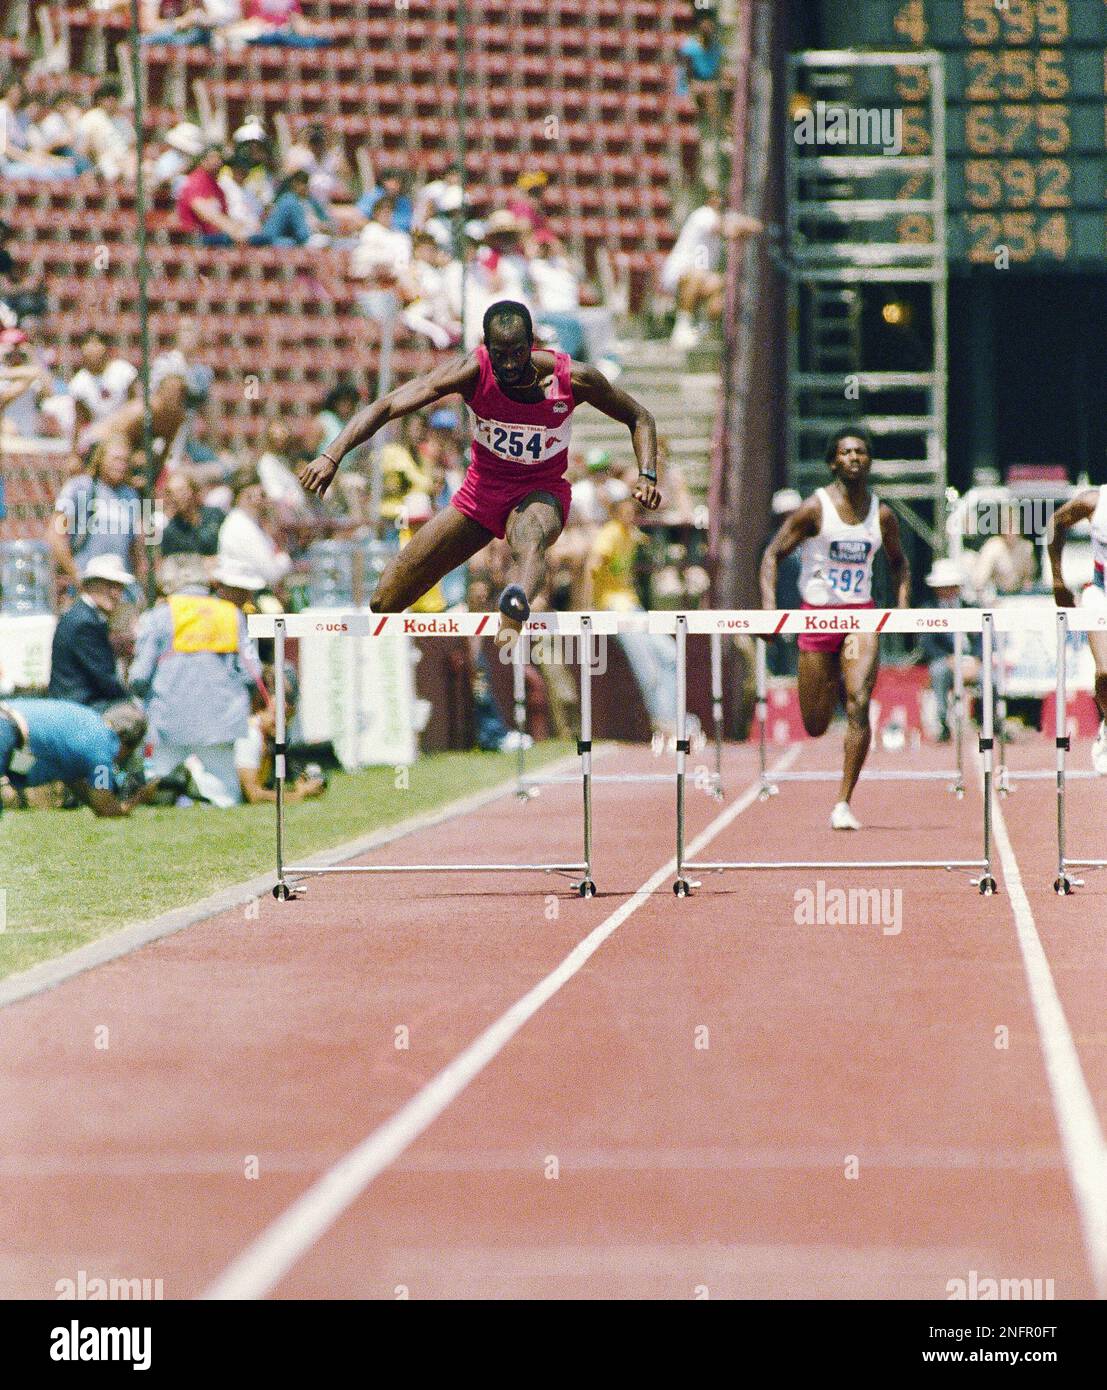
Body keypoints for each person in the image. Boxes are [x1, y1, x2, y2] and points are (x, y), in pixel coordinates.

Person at [298, 299, 662, 649]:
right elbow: (389, 404)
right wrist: (332, 454)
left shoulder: (573, 378)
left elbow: (639, 416)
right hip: (481, 495)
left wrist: (647, 474)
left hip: (541, 491)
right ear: (486, 348)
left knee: (530, 536)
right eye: (499, 354)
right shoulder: (473, 371)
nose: (508, 364)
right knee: (385, 599)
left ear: (531, 345)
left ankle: (515, 601)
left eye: (517, 353)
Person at [759, 427, 910, 830]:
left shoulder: (882, 515)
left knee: (861, 701)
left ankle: (843, 801)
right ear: (833, 462)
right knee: (815, 723)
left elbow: (899, 563)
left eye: (861, 451)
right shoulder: (814, 509)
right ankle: (837, 683)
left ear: (870, 461)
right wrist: (771, 609)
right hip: (817, 616)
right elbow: (772, 554)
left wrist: (903, 607)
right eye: (846, 452)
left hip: (860, 616)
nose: (854, 457)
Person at [130, 564, 262, 806]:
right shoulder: (231, 614)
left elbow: (139, 675)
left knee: (156, 781)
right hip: (221, 720)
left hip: (168, 718)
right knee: (222, 791)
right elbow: (252, 672)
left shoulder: (158, 616)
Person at [0, 698, 154, 818]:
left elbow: (79, 785)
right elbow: (104, 807)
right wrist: (139, 799)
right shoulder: (102, 749)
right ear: (126, 744)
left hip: (8, 722)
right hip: (7, 730)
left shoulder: (88, 721)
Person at [1047, 485, 1107, 773]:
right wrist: (1058, 581)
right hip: (1101, 593)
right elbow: (1054, 524)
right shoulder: (1093, 501)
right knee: (1105, 671)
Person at [50, 435, 148, 599]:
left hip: (120, 592)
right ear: (101, 459)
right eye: (116, 459)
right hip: (86, 588)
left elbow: (137, 549)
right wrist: (77, 578)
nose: (121, 465)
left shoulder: (131, 496)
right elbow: (55, 537)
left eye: (125, 460)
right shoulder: (80, 487)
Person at [47, 555, 134, 711]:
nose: (116, 593)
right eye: (110, 585)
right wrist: (130, 701)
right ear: (91, 584)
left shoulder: (83, 615)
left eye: (119, 587)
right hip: (80, 708)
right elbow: (104, 678)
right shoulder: (85, 622)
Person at [918, 558, 980, 745]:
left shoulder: (971, 608)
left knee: (990, 677)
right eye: (945, 586)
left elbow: (982, 639)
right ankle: (943, 722)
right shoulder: (928, 610)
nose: (949, 591)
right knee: (938, 671)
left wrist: (977, 660)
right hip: (945, 659)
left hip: (971, 660)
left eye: (953, 586)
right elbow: (926, 644)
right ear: (937, 588)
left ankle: (990, 721)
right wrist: (948, 659)